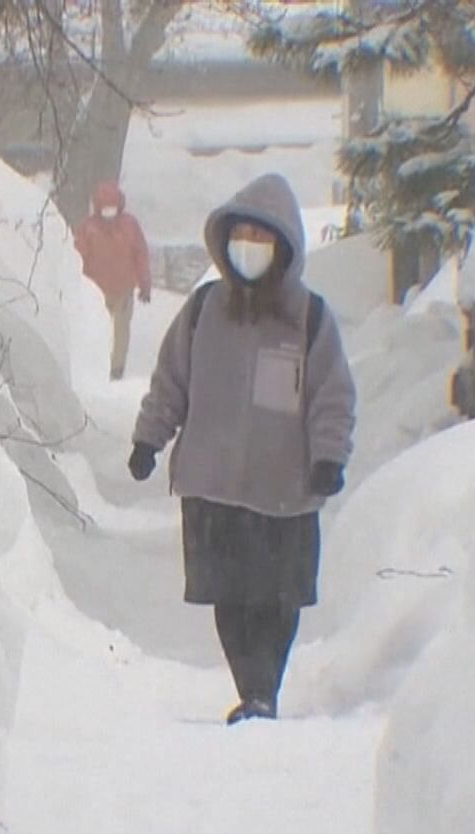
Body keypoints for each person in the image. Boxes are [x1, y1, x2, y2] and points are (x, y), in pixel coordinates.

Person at [128, 173, 356, 724]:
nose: (249, 248)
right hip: (214, 489)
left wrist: (329, 457)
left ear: (284, 246)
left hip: (284, 493)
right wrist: (148, 438)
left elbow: (332, 395)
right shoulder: (204, 311)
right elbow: (171, 381)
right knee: (230, 598)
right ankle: (254, 691)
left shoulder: (310, 320)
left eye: (262, 237)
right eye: (241, 236)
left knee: (276, 602)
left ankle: (263, 692)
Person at [73, 180, 153, 380]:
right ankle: (97, 365)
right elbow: (76, 258)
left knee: (120, 332)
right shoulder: (88, 229)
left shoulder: (130, 226)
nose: (109, 214)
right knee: (99, 329)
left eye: (113, 208)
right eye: (105, 209)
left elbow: (140, 254)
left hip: (123, 291)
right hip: (96, 292)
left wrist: (144, 283)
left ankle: (116, 368)